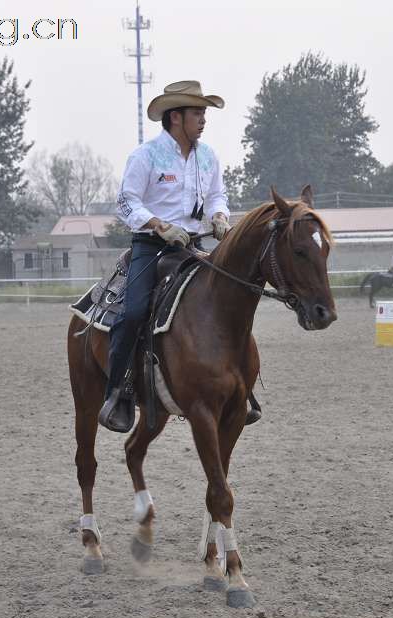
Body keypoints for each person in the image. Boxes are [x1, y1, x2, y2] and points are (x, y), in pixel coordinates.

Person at [98, 80, 232, 433]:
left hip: (192, 245)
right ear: (176, 117)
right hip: (151, 246)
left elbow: (218, 194)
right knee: (134, 312)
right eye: (197, 113)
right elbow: (127, 201)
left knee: (229, 301)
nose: (203, 120)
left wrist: (219, 216)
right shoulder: (146, 155)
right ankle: (118, 392)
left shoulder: (208, 156)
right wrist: (159, 225)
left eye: (204, 113)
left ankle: (237, 387)